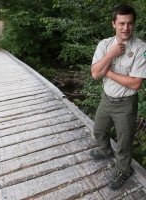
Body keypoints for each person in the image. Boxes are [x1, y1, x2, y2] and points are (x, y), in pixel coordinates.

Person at [90, 4, 146, 190]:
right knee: (98, 130)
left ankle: (124, 169)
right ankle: (105, 150)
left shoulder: (141, 48)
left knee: (124, 141)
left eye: (130, 23)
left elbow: (136, 83)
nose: (126, 28)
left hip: (126, 104)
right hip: (107, 99)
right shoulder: (104, 45)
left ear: (133, 25)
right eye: (121, 23)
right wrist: (111, 54)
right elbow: (95, 74)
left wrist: (109, 72)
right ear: (113, 23)